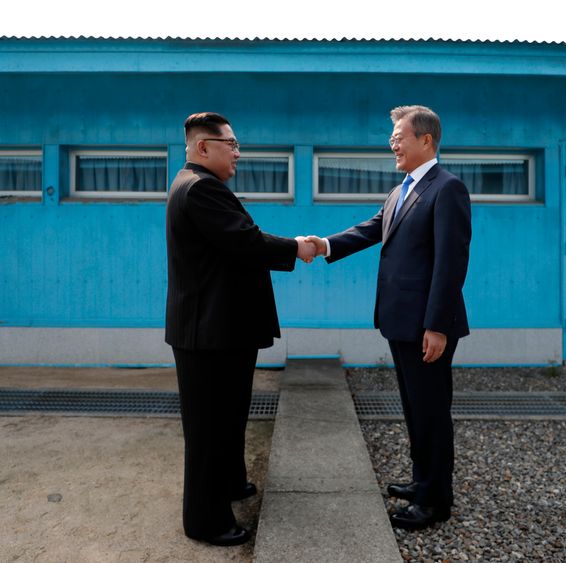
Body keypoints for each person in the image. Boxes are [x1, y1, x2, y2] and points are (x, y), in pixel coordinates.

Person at [306, 105, 472, 530]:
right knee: (415, 407)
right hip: (400, 321)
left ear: (426, 141)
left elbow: (450, 264)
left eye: (400, 136)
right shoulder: (402, 190)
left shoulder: (447, 188)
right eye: (392, 137)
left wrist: (436, 326)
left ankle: (435, 501)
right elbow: (372, 228)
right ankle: (422, 481)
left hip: (427, 325)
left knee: (432, 410)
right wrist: (324, 244)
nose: (392, 143)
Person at [165, 112, 315, 546]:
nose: (237, 152)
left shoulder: (203, 187)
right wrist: (298, 248)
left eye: (236, 143)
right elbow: (247, 241)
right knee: (209, 429)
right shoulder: (199, 189)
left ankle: (231, 484)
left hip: (221, 330)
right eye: (228, 143)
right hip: (207, 334)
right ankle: (206, 521)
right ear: (202, 147)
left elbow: (238, 240)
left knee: (229, 417)